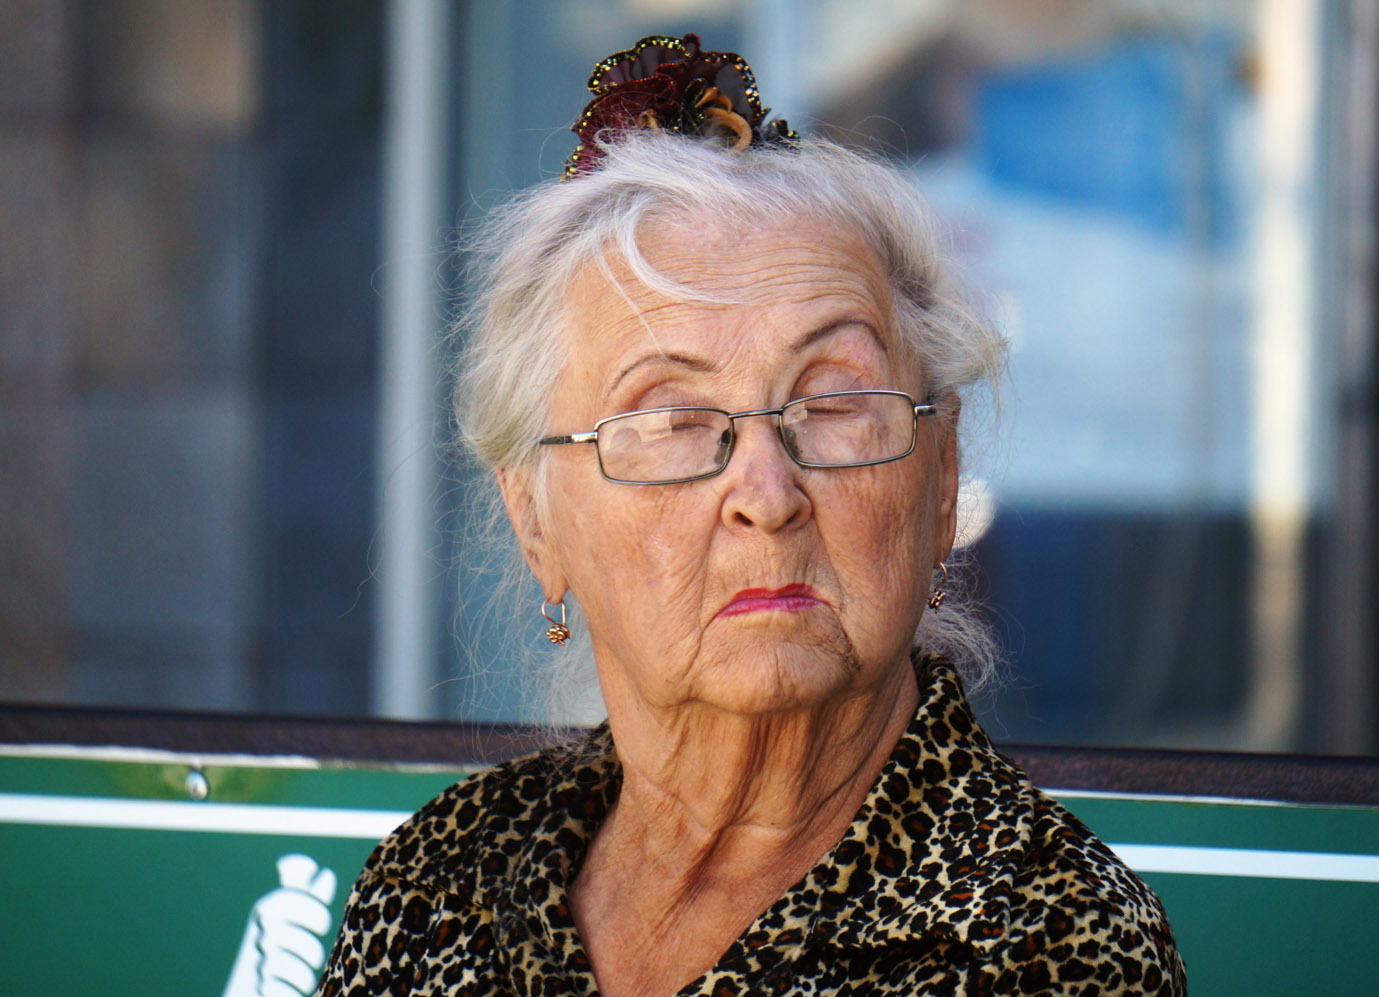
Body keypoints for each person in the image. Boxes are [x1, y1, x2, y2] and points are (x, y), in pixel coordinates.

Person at [319, 34, 1184, 997]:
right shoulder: (438, 886)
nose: (768, 496)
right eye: (673, 420)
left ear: (942, 481)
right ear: (536, 521)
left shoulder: (1042, 940)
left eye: (833, 405)